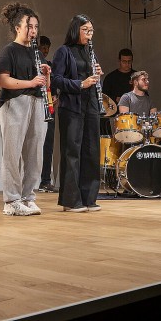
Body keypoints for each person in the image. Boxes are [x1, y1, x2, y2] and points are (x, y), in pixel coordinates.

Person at [0, 2, 49, 216]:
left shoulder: (37, 52)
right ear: (18, 27)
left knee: (35, 154)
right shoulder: (9, 50)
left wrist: (47, 74)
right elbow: (3, 81)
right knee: (12, 154)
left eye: (36, 27)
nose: (34, 31)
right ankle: (11, 201)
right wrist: (31, 82)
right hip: (14, 103)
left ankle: (28, 197)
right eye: (30, 26)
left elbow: (43, 83)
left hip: (36, 103)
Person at [51, 15, 102, 213]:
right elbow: (55, 80)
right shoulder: (64, 51)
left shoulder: (90, 53)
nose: (90, 35)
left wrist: (98, 77)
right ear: (76, 30)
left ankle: (89, 198)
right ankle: (71, 201)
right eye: (86, 30)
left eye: (91, 31)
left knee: (91, 151)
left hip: (90, 105)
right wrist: (80, 84)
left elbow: (94, 80)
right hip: (71, 106)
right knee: (72, 152)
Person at [37, 35, 58, 193]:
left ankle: (45, 180)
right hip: (35, 105)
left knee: (48, 146)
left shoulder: (50, 65)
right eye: (42, 47)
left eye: (47, 48)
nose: (45, 51)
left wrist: (55, 99)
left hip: (48, 107)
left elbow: (55, 87)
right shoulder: (33, 64)